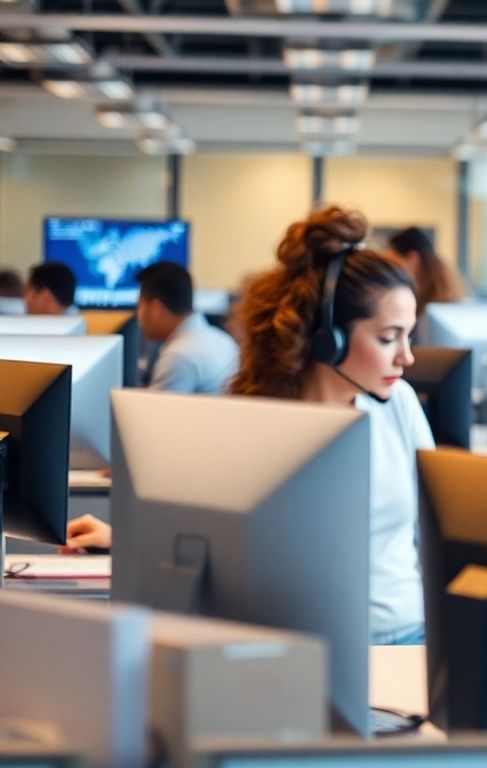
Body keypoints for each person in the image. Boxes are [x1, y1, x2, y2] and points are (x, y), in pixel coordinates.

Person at [68, 206, 433, 647]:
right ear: (327, 337)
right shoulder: (253, 420)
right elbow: (208, 536)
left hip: (407, 637)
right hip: (298, 646)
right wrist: (124, 537)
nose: (406, 357)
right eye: (388, 337)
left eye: (408, 336)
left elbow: (434, 532)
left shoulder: (400, 405)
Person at [135, 262, 239, 394]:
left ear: (156, 309)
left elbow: (155, 413)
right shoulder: (222, 339)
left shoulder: (179, 356)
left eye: (139, 306)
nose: (138, 315)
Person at [387, 227, 466, 316]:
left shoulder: (431, 307)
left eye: (393, 260)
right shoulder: (446, 291)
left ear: (412, 258)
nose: (391, 267)